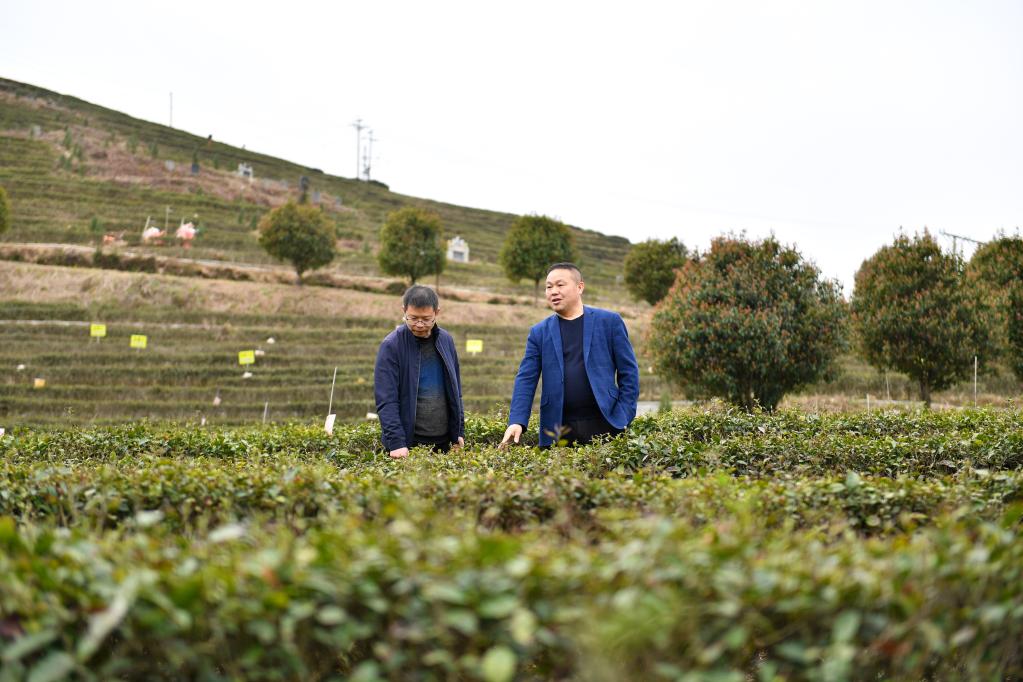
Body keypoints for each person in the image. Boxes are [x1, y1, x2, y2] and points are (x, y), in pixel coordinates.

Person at [500, 262, 640, 448]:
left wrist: (624, 415)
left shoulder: (609, 322)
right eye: (549, 287)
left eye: (560, 285)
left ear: (580, 287)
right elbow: (526, 378)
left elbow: (629, 372)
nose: (553, 291)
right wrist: (517, 421)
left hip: (607, 424)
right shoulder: (539, 332)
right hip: (558, 429)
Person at [374, 285, 465, 457]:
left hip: (444, 443)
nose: (420, 324)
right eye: (413, 318)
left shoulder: (446, 340)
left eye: (426, 319)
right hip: (409, 445)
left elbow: (456, 391)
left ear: (437, 312)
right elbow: (386, 400)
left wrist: (459, 431)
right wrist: (397, 443)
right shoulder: (392, 346)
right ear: (404, 311)